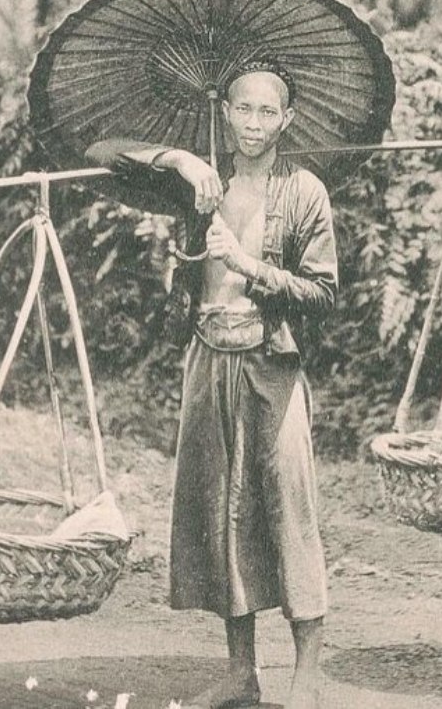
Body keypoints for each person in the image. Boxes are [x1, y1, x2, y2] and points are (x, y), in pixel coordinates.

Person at [85, 60, 336, 709]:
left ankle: (306, 675)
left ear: (287, 119)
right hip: (208, 358)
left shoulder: (304, 190)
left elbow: (324, 292)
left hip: (271, 365)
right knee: (222, 513)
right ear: (225, 110)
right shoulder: (202, 186)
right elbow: (100, 152)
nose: (253, 121)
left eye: (266, 111)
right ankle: (240, 670)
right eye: (242, 108)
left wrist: (250, 266)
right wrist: (180, 161)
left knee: (287, 506)